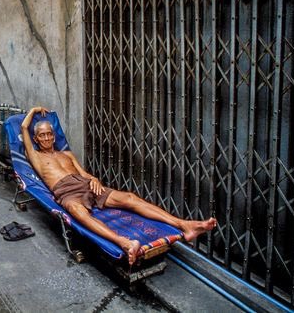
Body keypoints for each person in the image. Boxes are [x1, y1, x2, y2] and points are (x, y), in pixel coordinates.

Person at [21, 106, 217, 265]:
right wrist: (34, 110)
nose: (46, 138)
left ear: (54, 137)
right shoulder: (36, 157)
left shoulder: (66, 154)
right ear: (36, 139)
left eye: (49, 134)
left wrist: (94, 179)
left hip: (86, 184)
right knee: (77, 211)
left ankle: (184, 224)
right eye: (42, 136)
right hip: (66, 191)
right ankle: (124, 243)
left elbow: (83, 173)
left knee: (130, 198)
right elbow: (23, 128)